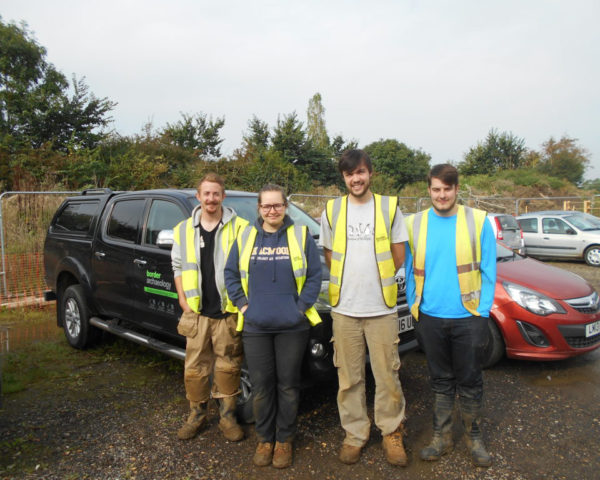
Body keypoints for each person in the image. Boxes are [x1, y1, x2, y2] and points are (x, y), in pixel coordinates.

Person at [319, 149, 409, 466]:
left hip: (381, 308)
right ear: (343, 178)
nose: (355, 179)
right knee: (349, 378)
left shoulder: (389, 207)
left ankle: (391, 434)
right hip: (344, 309)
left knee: (387, 377)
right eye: (349, 174)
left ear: (370, 173)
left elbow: (399, 253)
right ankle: (355, 435)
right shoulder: (331, 210)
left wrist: (375, 278)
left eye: (360, 172)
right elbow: (330, 255)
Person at [404, 163, 496, 468]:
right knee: (441, 380)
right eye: (436, 189)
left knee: (470, 380)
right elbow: (408, 268)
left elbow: (489, 272)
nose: (441, 195)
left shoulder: (479, 221)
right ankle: (441, 438)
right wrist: (413, 304)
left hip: (468, 316)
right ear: (429, 190)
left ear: (457, 189)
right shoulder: (414, 223)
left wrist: (481, 313)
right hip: (429, 316)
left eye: (447, 189)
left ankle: (474, 438)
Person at [225, 184, 322, 469]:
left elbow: (314, 276)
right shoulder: (245, 236)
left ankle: (284, 442)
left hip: (292, 326)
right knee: (263, 386)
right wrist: (244, 305)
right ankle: (265, 439)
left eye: (277, 205)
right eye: (266, 206)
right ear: (259, 208)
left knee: (289, 385)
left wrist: (300, 308)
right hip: (256, 326)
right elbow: (230, 273)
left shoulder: (300, 235)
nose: (272, 210)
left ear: (285, 206)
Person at [171, 173, 249, 442]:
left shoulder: (242, 228)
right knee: (194, 370)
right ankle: (196, 416)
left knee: (228, 368)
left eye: (216, 194)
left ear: (223, 196)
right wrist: (183, 299)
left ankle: (228, 419)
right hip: (197, 314)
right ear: (199, 196)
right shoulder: (182, 230)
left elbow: (248, 267)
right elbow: (178, 267)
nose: (211, 199)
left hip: (228, 313)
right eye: (207, 193)